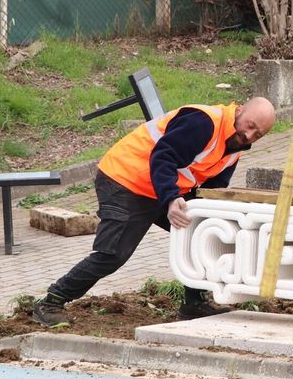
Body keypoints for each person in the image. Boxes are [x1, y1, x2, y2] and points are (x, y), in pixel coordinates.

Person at [32, 97, 276, 328]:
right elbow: (163, 157)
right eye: (250, 126)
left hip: (159, 187)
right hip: (125, 179)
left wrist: (213, 218)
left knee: (201, 235)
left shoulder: (235, 146)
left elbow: (213, 189)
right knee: (113, 253)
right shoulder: (203, 123)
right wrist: (171, 199)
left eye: (258, 134)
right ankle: (52, 301)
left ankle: (194, 304)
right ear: (240, 110)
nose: (249, 135)